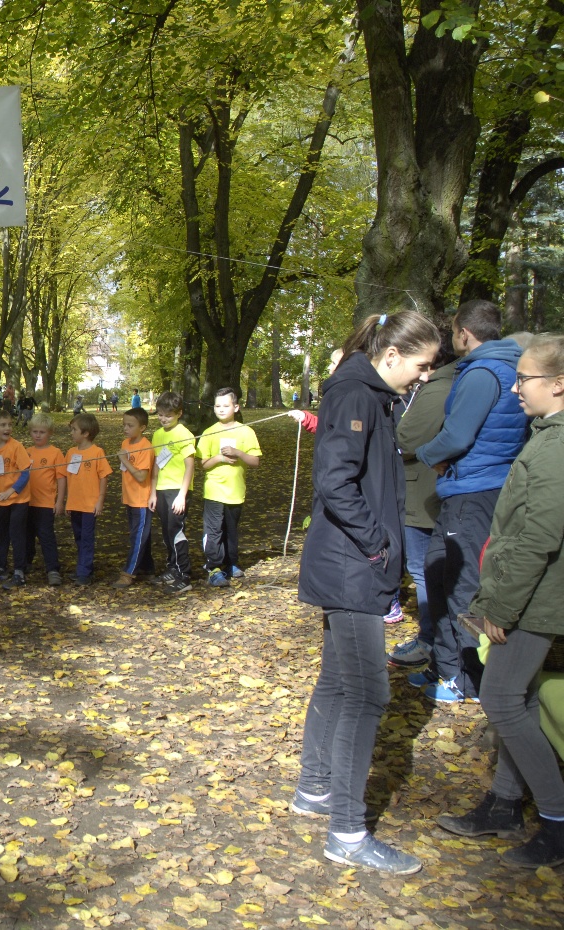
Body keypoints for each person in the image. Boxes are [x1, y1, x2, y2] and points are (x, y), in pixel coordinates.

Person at [294, 309, 440, 876]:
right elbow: (334, 481)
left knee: (337, 680)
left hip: (351, 564)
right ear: (392, 355)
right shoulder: (355, 394)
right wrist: (378, 546)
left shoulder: (370, 394)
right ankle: (348, 833)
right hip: (351, 568)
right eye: (422, 365)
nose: (425, 375)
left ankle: (314, 788)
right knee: (368, 694)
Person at [438, 333, 564, 868]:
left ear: (558, 384)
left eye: (524, 379)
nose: (515, 389)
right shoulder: (545, 436)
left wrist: (501, 608)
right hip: (529, 594)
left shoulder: (556, 447)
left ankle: (556, 822)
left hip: (536, 599)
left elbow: (538, 537)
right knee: (521, 697)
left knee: (502, 698)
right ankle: (506, 804)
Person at [413, 301, 531, 703]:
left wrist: (425, 454)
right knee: (437, 571)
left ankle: (467, 679)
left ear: (464, 333)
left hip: (474, 490)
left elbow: (458, 435)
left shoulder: (484, 372)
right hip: (471, 487)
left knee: (460, 583)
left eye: (453, 332)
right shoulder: (505, 366)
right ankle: (445, 666)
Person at [388, 337, 456, 668]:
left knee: (423, 568)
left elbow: (407, 437)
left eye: (427, 366)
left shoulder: (438, 388)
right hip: (434, 488)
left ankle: (432, 641)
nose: (423, 375)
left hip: (424, 490)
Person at [196, 388, 262, 586]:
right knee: (213, 530)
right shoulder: (209, 433)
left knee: (231, 530)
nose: (221, 409)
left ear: (236, 407)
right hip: (214, 491)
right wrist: (220, 458)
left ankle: (231, 563)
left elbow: (255, 462)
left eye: (226, 405)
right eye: (218, 406)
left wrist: (238, 453)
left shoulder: (246, 432)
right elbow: (203, 464)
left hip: (235, 492)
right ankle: (214, 568)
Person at [148, 392, 197, 594]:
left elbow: (190, 466)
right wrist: (153, 493)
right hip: (161, 489)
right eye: (160, 414)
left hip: (177, 490)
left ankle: (184, 575)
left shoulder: (184, 434)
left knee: (176, 531)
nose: (163, 419)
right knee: (167, 531)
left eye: (168, 415)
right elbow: (157, 465)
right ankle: (172, 567)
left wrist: (182, 495)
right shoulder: (158, 435)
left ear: (179, 414)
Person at [0, 410, 32, 590]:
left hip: (18, 499)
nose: (7, 428)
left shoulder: (17, 447)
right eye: (3, 425)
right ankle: (0, 567)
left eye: (9, 424)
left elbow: (25, 473)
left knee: (17, 534)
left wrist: (11, 491)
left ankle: (19, 572)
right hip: (0, 499)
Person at [64, 412, 112, 585]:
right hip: (75, 503)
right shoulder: (71, 453)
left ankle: (84, 572)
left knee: (86, 537)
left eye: (74, 430)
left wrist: (100, 501)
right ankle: (84, 567)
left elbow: (104, 476)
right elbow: (69, 477)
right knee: (78, 536)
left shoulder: (97, 452)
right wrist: (68, 502)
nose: (71, 433)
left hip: (89, 505)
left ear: (85, 433)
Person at [23, 412, 65, 586]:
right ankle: (25, 563)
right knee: (26, 535)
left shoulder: (55, 453)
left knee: (46, 536)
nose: (38, 435)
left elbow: (61, 478)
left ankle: (52, 569)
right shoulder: (26, 452)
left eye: (42, 432)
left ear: (50, 433)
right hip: (26, 502)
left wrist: (59, 501)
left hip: (46, 504)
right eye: (35, 432)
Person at [114, 407, 155, 588]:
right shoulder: (126, 443)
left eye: (130, 426)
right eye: (124, 425)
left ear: (142, 427)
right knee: (139, 535)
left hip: (141, 500)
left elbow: (141, 476)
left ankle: (128, 573)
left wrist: (124, 460)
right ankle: (147, 568)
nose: (126, 429)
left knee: (138, 537)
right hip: (129, 498)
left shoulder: (146, 447)